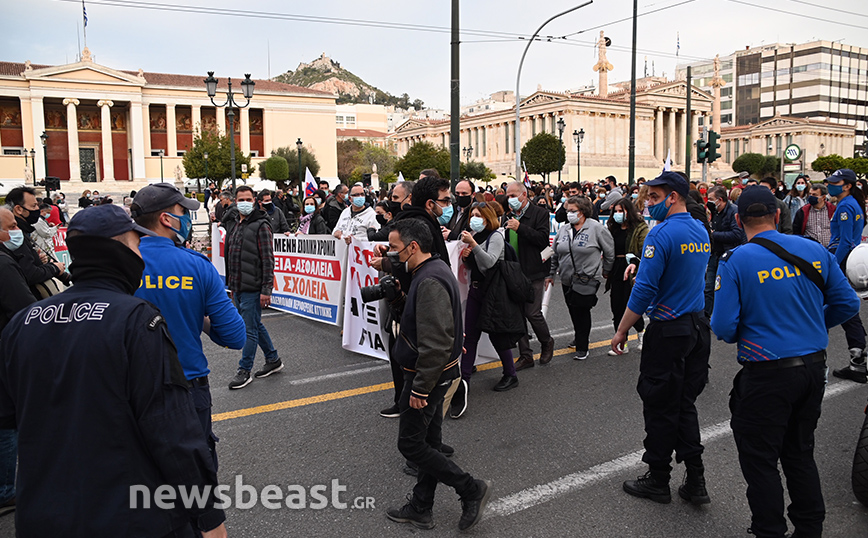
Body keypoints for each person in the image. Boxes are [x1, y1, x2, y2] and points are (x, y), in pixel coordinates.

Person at [0, 204, 228, 537]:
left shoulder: (24, 322)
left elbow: (8, 417)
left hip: (44, 513)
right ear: (118, 251)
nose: (141, 255)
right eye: (136, 245)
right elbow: (173, 432)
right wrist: (209, 517)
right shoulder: (137, 320)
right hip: (129, 514)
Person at [711, 185, 859, 538]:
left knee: (760, 460)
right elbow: (848, 304)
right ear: (777, 215)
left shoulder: (736, 261)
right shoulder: (813, 250)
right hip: (811, 367)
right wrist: (811, 323)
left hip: (766, 372)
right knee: (799, 451)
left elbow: (723, 326)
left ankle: (769, 529)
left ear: (737, 219)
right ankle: (809, 528)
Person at [611, 171, 711, 506]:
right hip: (696, 327)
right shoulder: (699, 230)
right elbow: (682, 272)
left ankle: (658, 477)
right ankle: (696, 479)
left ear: (673, 197)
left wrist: (623, 328)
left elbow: (645, 291)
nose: (647, 204)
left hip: (669, 329)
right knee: (684, 404)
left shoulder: (662, 234)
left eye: (654, 197)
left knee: (659, 405)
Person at [385, 219, 491, 532]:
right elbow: (422, 319)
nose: (391, 254)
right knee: (429, 440)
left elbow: (435, 342)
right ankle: (421, 507)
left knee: (412, 446)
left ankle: (471, 489)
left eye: (394, 248)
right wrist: (397, 299)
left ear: (412, 247)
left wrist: (419, 388)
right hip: (436, 374)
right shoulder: (432, 269)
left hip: (428, 375)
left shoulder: (429, 280)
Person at [131, 183, 247, 472]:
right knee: (195, 481)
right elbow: (235, 336)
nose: (186, 219)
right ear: (166, 219)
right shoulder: (196, 265)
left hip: (129, 387)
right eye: (183, 211)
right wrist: (200, 319)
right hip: (186, 384)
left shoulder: (121, 262)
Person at [453, 201, 523, 418]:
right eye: (472, 214)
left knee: (497, 335)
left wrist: (473, 246)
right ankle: (463, 381)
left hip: (493, 293)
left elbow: (490, 263)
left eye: (479, 215)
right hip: (477, 291)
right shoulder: (476, 235)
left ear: (488, 218)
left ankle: (510, 374)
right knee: (470, 336)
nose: (474, 218)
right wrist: (467, 255)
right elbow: (476, 264)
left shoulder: (496, 237)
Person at [225, 185, 283, 390]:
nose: (244, 203)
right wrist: (231, 285)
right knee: (255, 325)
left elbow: (268, 260)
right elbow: (231, 256)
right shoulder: (234, 224)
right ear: (235, 201)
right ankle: (273, 359)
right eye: (241, 199)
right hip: (238, 286)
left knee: (248, 329)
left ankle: (244, 370)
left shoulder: (262, 225)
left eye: (248, 199)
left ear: (255, 201)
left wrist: (266, 289)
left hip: (253, 288)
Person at [0, 206, 37, 518]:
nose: (17, 231)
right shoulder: (3, 264)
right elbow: (24, 309)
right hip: (4, 349)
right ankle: (5, 490)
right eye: (11, 225)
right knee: (5, 418)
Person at [548, 196, 614, 360]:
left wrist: (606, 271)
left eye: (572, 211)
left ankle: (583, 346)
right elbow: (554, 252)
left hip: (586, 279)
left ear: (583, 212)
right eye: (567, 210)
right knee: (572, 308)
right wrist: (549, 273)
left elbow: (609, 252)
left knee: (582, 310)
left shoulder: (596, 228)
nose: (569, 214)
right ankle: (579, 336)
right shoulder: (564, 229)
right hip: (566, 278)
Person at [504, 181, 555, 369]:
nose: (510, 199)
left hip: (533, 271)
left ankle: (546, 341)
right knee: (518, 315)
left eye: (513, 195)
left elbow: (542, 240)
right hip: (513, 272)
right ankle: (525, 355)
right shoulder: (507, 216)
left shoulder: (539, 214)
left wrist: (520, 228)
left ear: (524, 195)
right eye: (507, 196)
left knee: (532, 313)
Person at [826, 168, 868, 383]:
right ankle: (858, 359)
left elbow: (845, 241)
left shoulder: (845, 206)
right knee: (847, 307)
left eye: (835, 182)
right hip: (847, 260)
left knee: (845, 307)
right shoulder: (851, 203)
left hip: (841, 261)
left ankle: (858, 360)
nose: (830, 185)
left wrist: (832, 264)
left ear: (848, 185)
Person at [4, 187, 67, 298]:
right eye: (33, 206)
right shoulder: (16, 237)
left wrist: (38, 260)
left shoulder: (25, 231)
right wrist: (54, 268)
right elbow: (30, 273)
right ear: (18, 209)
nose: (37, 209)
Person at [605, 198, 648, 355]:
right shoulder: (612, 229)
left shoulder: (639, 228)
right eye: (615, 211)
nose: (617, 214)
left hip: (632, 268)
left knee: (632, 303)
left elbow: (645, 248)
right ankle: (622, 341)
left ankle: (641, 334)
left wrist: (635, 259)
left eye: (621, 211)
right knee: (617, 306)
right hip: (616, 268)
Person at [705, 186, 746, 317]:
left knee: (726, 288)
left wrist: (714, 234)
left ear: (720, 199)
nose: (708, 202)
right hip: (715, 254)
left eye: (711, 199)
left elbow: (737, 234)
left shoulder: (733, 212)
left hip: (729, 255)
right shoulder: (715, 212)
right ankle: (706, 317)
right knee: (709, 287)